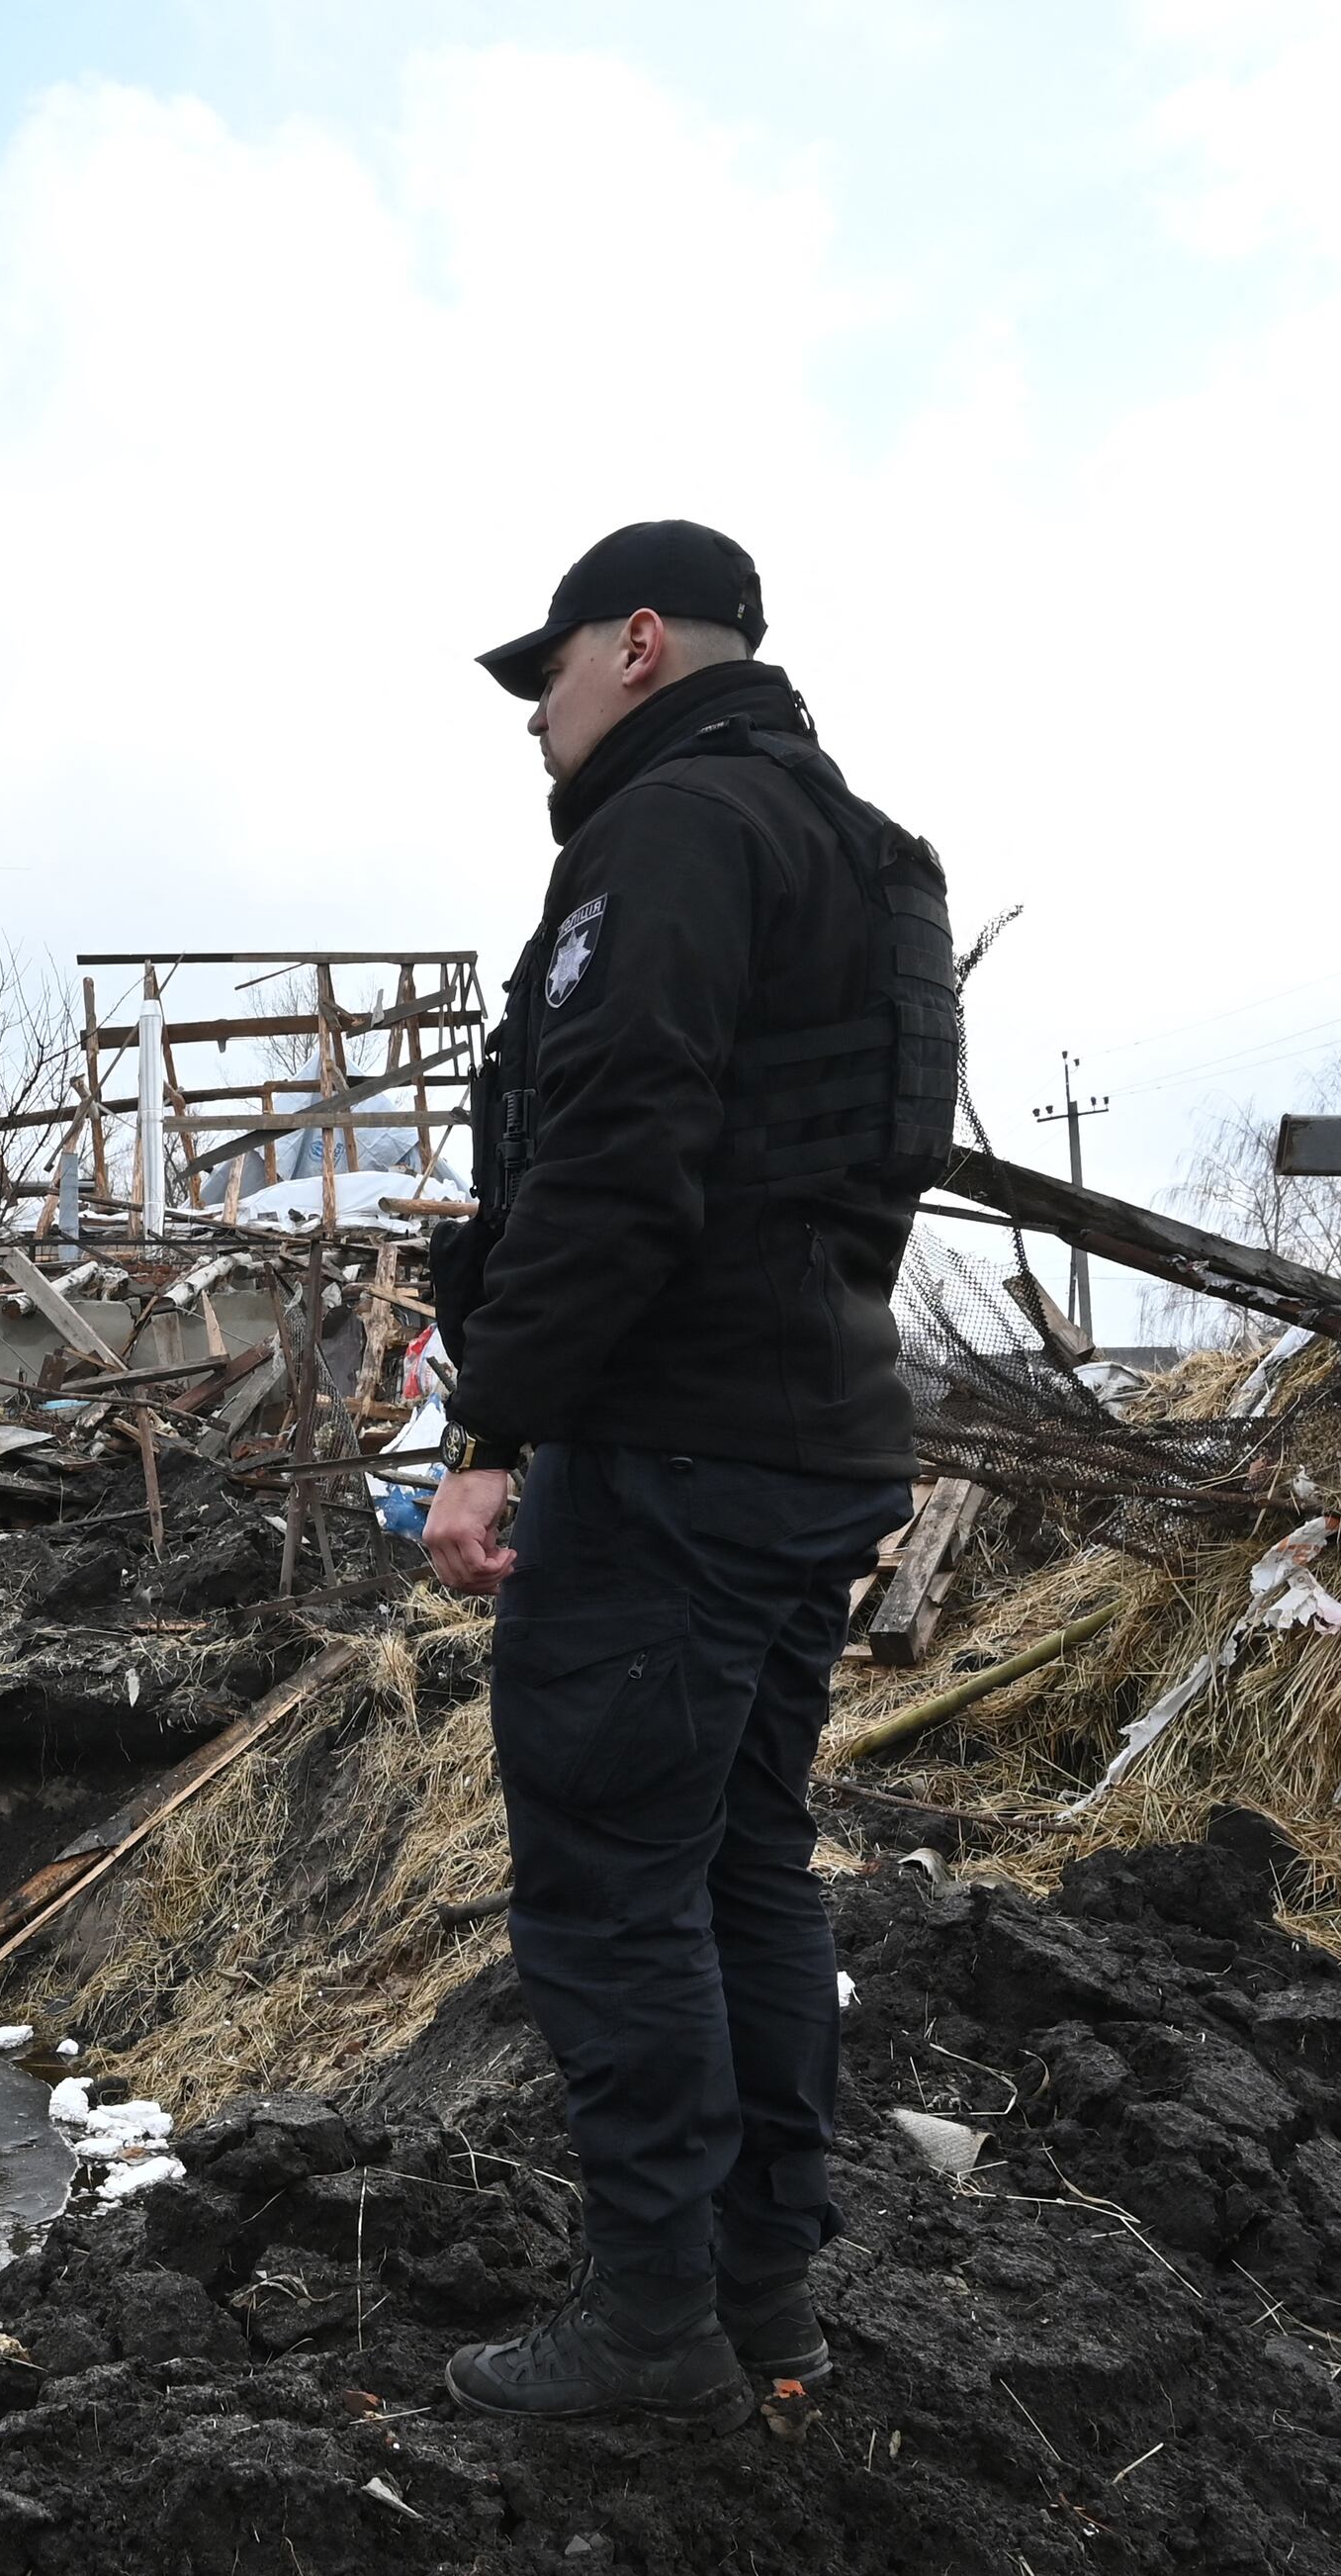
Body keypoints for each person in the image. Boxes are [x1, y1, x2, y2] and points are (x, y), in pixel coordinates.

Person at [418, 518, 958, 2421]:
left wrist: (494, 1429)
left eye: (548, 674)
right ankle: (758, 2303)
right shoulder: (874, 860)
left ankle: (650, 2329)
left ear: (639, 645)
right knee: (743, 1864)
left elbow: (615, 1165)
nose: (535, 719)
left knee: (611, 1888)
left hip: (667, 1453)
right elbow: (838, 1176)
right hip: (805, 1442)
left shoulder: (667, 838)